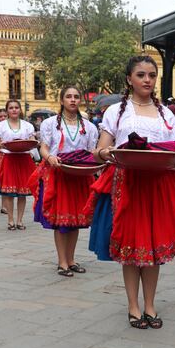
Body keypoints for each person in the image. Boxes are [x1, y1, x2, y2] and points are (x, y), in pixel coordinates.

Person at [89, 55, 175, 330]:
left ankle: (150, 305)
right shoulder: (116, 112)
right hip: (128, 183)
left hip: (158, 183)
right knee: (132, 248)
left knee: (154, 248)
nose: (147, 80)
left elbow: (173, 150)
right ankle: (133, 306)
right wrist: (107, 152)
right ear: (129, 79)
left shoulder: (166, 113)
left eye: (152, 75)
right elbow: (99, 150)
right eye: (141, 75)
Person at [35, 86, 99, 277]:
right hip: (58, 173)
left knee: (75, 220)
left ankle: (71, 259)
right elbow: (44, 148)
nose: (73, 100)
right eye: (68, 97)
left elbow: (91, 152)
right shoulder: (49, 123)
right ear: (61, 100)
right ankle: (62, 261)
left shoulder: (89, 126)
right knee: (61, 220)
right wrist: (49, 158)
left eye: (76, 97)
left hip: (80, 175)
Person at [0, 100, 35, 230]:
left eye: (16, 107)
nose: (14, 110)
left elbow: (32, 141)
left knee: (22, 193)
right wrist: (3, 144)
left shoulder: (28, 125)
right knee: (9, 192)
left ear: (20, 109)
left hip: (24, 159)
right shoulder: (0, 126)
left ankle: (20, 220)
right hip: (9, 158)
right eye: (11, 108)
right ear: (7, 111)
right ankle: (10, 220)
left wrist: (30, 142)